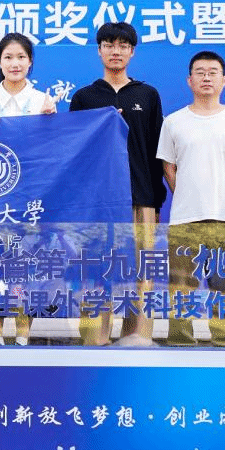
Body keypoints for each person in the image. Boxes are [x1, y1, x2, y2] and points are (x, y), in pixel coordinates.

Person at [69, 21, 165, 346]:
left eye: (123, 46)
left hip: (140, 198)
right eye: (109, 45)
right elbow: (74, 151)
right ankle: (94, 342)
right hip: (98, 202)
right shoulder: (84, 97)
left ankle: (138, 341)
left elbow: (156, 150)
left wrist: (156, 200)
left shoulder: (147, 95)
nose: (116, 51)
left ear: (132, 52)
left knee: (142, 274)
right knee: (98, 273)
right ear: (99, 51)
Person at [156, 51, 225, 347]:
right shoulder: (174, 122)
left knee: (224, 284)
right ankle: (180, 338)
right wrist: (188, 196)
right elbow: (168, 168)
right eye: (200, 72)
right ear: (190, 81)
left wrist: (224, 195)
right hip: (185, 218)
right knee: (180, 284)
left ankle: (224, 336)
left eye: (213, 72)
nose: (206, 78)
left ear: (224, 80)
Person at [0, 32, 55, 345]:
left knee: (27, 267)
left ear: (30, 62)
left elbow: (53, 149)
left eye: (21, 57)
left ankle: (23, 336)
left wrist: (50, 121)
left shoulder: (42, 100)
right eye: (8, 57)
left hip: (30, 197)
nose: (14, 63)